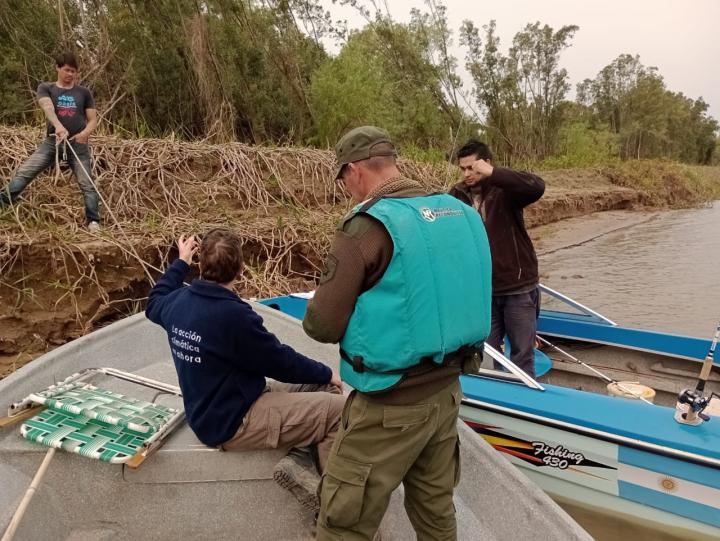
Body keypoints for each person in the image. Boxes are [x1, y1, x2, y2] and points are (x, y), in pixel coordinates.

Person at [303, 126, 492, 540]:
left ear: (353, 171)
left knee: (343, 521)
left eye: (343, 179)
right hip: (447, 394)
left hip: (389, 404)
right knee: (435, 510)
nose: (347, 189)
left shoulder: (365, 227)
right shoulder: (459, 212)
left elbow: (322, 325)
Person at [145, 228, 345, 512]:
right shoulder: (234, 316)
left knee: (326, 389)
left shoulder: (177, 303)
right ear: (240, 269)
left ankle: (300, 462)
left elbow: (155, 300)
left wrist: (180, 262)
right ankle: (331, 511)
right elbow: (279, 362)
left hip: (220, 405)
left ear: (200, 264)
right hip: (233, 421)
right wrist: (326, 371)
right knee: (341, 411)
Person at [449, 139, 545, 378]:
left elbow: (537, 186)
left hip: (518, 288)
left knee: (522, 355)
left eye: (472, 168)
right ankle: (497, 391)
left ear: (486, 163)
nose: (467, 174)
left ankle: (524, 396)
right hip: (483, 292)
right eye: (463, 168)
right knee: (487, 354)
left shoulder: (506, 190)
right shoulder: (456, 196)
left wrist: (493, 173)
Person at [0, 51, 101, 230]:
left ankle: (93, 221)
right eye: (67, 70)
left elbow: (93, 119)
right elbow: (47, 108)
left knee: (87, 183)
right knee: (24, 173)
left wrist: (85, 133)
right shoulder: (46, 88)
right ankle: (2, 204)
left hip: (77, 145)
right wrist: (58, 126)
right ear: (58, 68)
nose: (70, 74)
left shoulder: (84, 93)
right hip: (52, 142)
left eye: (73, 71)